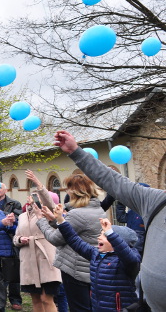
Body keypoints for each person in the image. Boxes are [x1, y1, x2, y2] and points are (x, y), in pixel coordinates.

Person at [53, 130, 166, 311]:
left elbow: (129, 257)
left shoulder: (124, 258)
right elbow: (114, 181)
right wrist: (76, 152)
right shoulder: (156, 201)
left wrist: (111, 234)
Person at [35, 170, 105, 312]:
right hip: (91, 266)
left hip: (76, 269)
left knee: (79, 307)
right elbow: (71, 231)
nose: (67, 192)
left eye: (68, 189)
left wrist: (41, 221)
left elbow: (56, 239)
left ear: (75, 191)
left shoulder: (77, 214)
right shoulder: (98, 209)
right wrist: (55, 220)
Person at [49, 205, 140, 311]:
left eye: (104, 235)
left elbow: (129, 258)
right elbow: (74, 240)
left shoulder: (127, 260)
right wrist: (61, 220)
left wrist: (110, 233)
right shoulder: (96, 255)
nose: (99, 237)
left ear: (119, 240)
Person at [13, 173, 62, 312]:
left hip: (46, 259)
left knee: (47, 299)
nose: (33, 197)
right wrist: (19, 240)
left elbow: (49, 202)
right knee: (35, 299)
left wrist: (38, 183)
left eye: (37, 195)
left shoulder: (46, 212)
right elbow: (15, 237)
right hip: (28, 261)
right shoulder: (22, 216)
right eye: (32, 195)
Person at [0, 183, 23, 310]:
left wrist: (3, 213)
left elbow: (18, 218)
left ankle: (15, 300)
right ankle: (0, 299)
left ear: (6, 190)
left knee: (13, 272)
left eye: (0, 187)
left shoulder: (14, 203)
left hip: (12, 241)